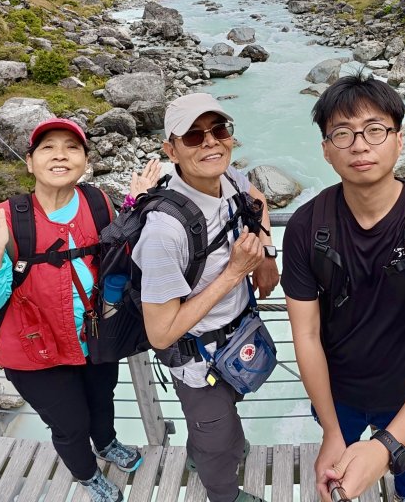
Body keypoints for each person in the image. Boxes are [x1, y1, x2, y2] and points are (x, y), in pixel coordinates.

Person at [282, 73, 405, 502]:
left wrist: (388, 445)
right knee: (338, 469)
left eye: (374, 130)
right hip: (339, 394)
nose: (360, 144)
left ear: (399, 140)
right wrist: (331, 430)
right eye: (343, 133)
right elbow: (306, 333)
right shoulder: (306, 227)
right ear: (326, 150)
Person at [0, 117, 160, 502]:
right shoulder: (5, 220)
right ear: (29, 161)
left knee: (103, 401)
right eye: (48, 147)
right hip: (32, 350)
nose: (60, 156)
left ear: (85, 160)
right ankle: (86, 474)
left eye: (71, 148)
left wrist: (135, 207)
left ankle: (106, 444)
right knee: (70, 424)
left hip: (94, 335)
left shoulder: (97, 201)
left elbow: (115, 251)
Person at [132, 92, 277, 502]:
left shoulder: (227, 179)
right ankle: (223, 492)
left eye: (218, 130)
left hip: (233, 339)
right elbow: (160, 334)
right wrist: (234, 273)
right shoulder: (164, 231)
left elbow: (257, 200)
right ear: (170, 150)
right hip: (198, 360)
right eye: (193, 137)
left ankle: (212, 445)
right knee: (216, 440)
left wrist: (264, 253)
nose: (211, 141)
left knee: (222, 422)